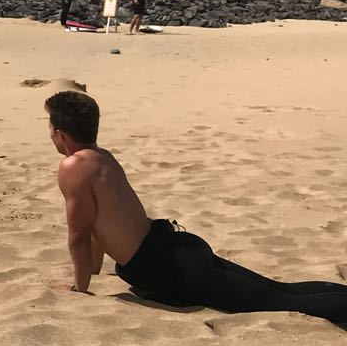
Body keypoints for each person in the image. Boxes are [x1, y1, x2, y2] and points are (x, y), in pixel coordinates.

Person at [46, 90, 346, 324]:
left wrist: (79, 288)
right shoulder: (101, 157)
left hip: (168, 268)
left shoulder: (73, 167)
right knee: (282, 290)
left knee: (281, 301)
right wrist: (93, 271)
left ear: (61, 133)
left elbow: (79, 234)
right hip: (175, 247)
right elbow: (95, 223)